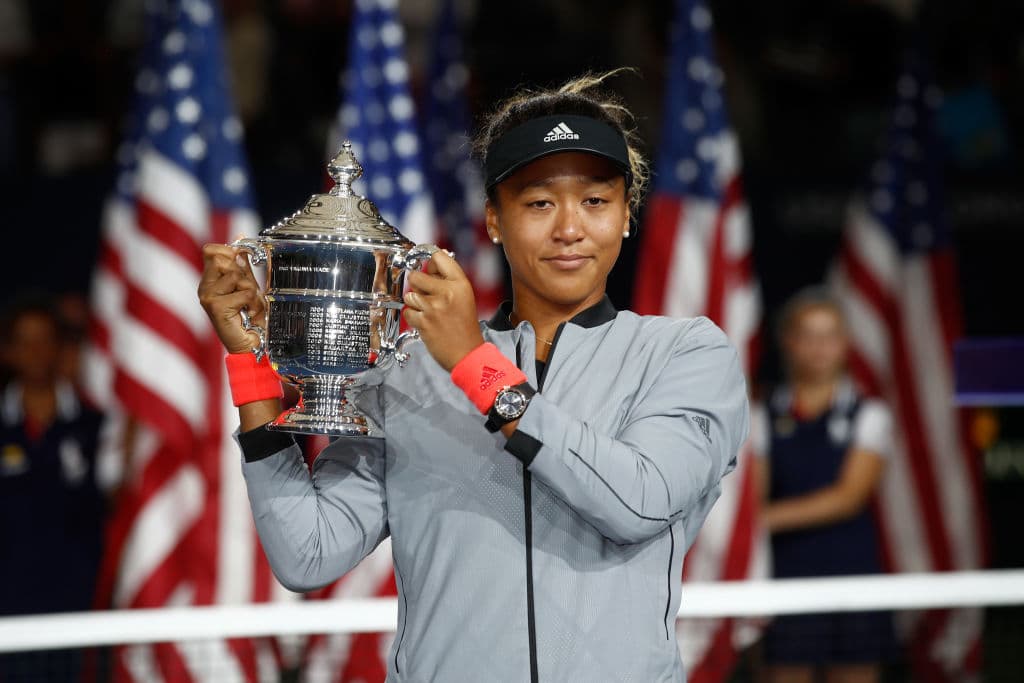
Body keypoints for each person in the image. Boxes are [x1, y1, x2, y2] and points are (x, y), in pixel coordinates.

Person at [199, 72, 750, 682]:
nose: (569, 228)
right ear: (493, 220)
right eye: (539, 203)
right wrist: (252, 367)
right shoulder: (408, 374)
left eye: (595, 201)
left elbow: (638, 504)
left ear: (626, 215)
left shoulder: (686, 354)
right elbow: (308, 554)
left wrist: (473, 365)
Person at [752, 288, 895, 683]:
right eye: (808, 335)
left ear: (845, 343)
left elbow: (849, 498)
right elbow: (753, 490)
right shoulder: (762, 414)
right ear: (789, 342)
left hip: (853, 572)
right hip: (784, 573)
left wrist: (761, 521)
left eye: (829, 335)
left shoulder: (870, 414)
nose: (819, 347)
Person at [0, 295, 106, 680]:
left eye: (45, 339)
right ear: (8, 351)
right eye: (24, 341)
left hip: (78, 614)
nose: (36, 351)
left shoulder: (96, 425)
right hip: (8, 617)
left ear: (61, 347)